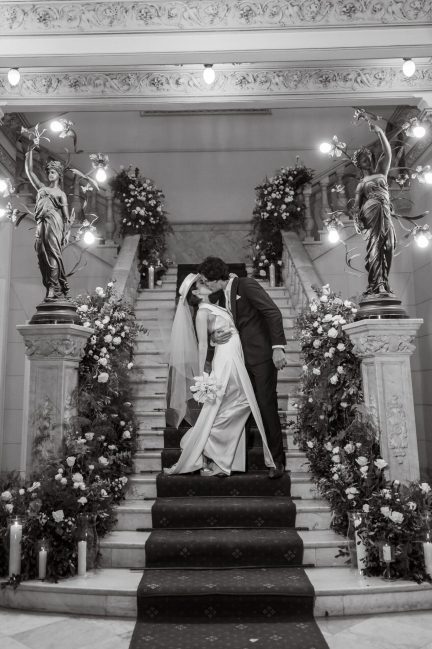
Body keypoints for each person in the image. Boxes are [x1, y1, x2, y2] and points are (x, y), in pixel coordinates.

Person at [165, 273, 276, 477]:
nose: (206, 283)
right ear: (197, 292)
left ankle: (212, 452)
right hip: (226, 360)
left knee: (237, 404)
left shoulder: (219, 305)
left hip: (236, 356)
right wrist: (201, 376)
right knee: (241, 401)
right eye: (201, 283)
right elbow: (202, 345)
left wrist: (216, 336)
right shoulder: (201, 312)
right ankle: (209, 450)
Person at [198, 257, 287, 479]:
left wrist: (278, 348)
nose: (206, 285)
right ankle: (234, 459)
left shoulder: (245, 285)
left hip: (261, 357)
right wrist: (214, 337)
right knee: (239, 406)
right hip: (240, 360)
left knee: (266, 406)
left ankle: (276, 462)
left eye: (208, 281)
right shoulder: (221, 296)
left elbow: (273, 312)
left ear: (218, 279)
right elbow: (226, 328)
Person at [352, 123, 395, 295]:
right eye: (364, 159)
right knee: (376, 245)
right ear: (359, 165)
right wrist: (357, 221)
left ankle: (384, 279)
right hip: (371, 212)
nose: (368, 159)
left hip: (385, 212)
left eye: (369, 156)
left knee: (390, 246)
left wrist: (380, 133)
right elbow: (356, 207)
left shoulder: (381, 173)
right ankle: (378, 284)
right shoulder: (361, 184)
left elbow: (388, 153)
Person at [25, 151, 71, 301]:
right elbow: (30, 172)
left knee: (52, 254)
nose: (50, 174)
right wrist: (29, 152)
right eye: (49, 172)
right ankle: (49, 286)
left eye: (53, 172)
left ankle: (52, 288)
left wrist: (67, 232)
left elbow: (67, 217)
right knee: (41, 254)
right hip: (41, 223)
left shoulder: (60, 193)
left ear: (59, 174)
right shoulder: (42, 188)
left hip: (54, 222)